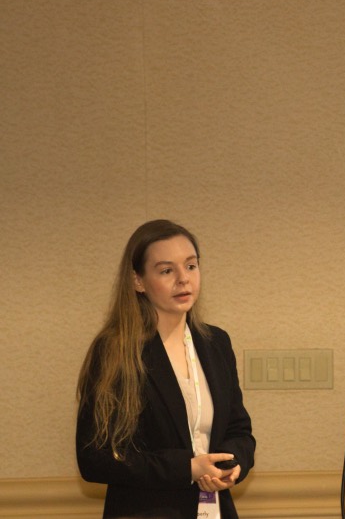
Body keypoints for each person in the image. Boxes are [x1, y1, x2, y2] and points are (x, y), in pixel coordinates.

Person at [76, 219, 256, 519]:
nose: (183, 279)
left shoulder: (216, 343)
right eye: (166, 271)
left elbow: (239, 430)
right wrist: (187, 468)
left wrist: (233, 464)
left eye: (191, 266)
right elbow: (94, 458)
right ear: (138, 281)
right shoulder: (115, 350)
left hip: (215, 510)